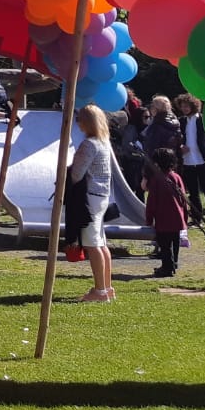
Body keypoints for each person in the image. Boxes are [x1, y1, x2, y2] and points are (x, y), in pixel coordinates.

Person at [69, 104, 115, 302]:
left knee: (92, 244)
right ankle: (106, 286)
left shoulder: (89, 145)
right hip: (102, 195)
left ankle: (99, 291)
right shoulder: (104, 142)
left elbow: (77, 174)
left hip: (89, 197)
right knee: (101, 242)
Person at [174, 92, 205, 226]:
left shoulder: (203, 120)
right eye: (182, 106)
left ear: (194, 106)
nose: (185, 109)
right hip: (188, 161)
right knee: (193, 193)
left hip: (203, 160)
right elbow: (178, 139)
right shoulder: (181, 121)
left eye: (187, 106)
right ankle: (196, 219)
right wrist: (180, 147)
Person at [143, 147, 189, 277]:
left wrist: (149, 219)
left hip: (163, 218)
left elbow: (152, 201)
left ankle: (167, 268)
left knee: (165, 244)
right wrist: (185, 216)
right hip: (177, 216)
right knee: (175, 242)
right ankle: (173, 264)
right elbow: (183, 198)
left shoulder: (157, 179)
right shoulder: (177, 177)